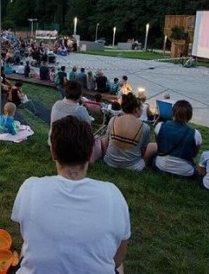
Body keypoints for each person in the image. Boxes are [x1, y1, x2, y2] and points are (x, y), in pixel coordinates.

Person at [11, 116, 130, 273]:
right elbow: (117, 259)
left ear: (53, 153)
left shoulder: (30, 187)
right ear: (89, 154)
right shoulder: (113, 195)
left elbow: (24, 237)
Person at [145, 100, 202, 178]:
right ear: (189, 116)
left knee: (152, 147)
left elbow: (159, 144)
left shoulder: (160, 126)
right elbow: (194, 154)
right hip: (185, 172)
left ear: (173, 113)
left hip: (160, 167)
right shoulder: (196, 134)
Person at [97, 93, 152, 170]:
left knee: (103, 139)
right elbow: (143, 151)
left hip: (110, 161)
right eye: (141, 108)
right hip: (133, 166)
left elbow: (108, 140)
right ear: (136, 110)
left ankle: (108, 156)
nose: (142, 110)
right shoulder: (145, 127)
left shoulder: (113, 119)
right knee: (151, 147)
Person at [48, 80, 92, 145]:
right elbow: (88, 129)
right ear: (80, 94)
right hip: (71, 147)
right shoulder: (80, 110)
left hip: (54, 142)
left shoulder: (56, 104)